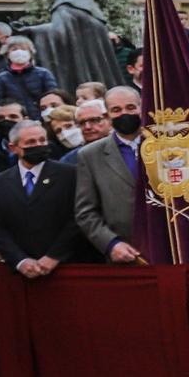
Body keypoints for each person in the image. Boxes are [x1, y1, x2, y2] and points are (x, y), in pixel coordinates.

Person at [0, 120, 84, 280]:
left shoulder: (70, 174)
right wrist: (20, 261)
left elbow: (77, 218)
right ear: (13, 148)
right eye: (31, 142)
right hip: (22, 272)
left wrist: (54, 256)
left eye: (42, 140)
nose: (38, 145)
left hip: (66, 266)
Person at [74, 85, 145, 265]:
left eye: (130, 107)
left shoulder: (167, 145)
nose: (124, 114)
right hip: (125, 255)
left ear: (141, 107)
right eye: (116, 110)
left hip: (170, 248)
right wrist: (111, 244)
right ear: (107, 116)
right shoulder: (90, 155)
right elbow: (85, 211)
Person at [0, 35, 60, 117]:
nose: (19, 52)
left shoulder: (43, 73)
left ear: (30, 52)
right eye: (14, 49)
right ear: (7, 54)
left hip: (42, 118)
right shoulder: (1, 78)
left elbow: (53, 97)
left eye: (23, 49)